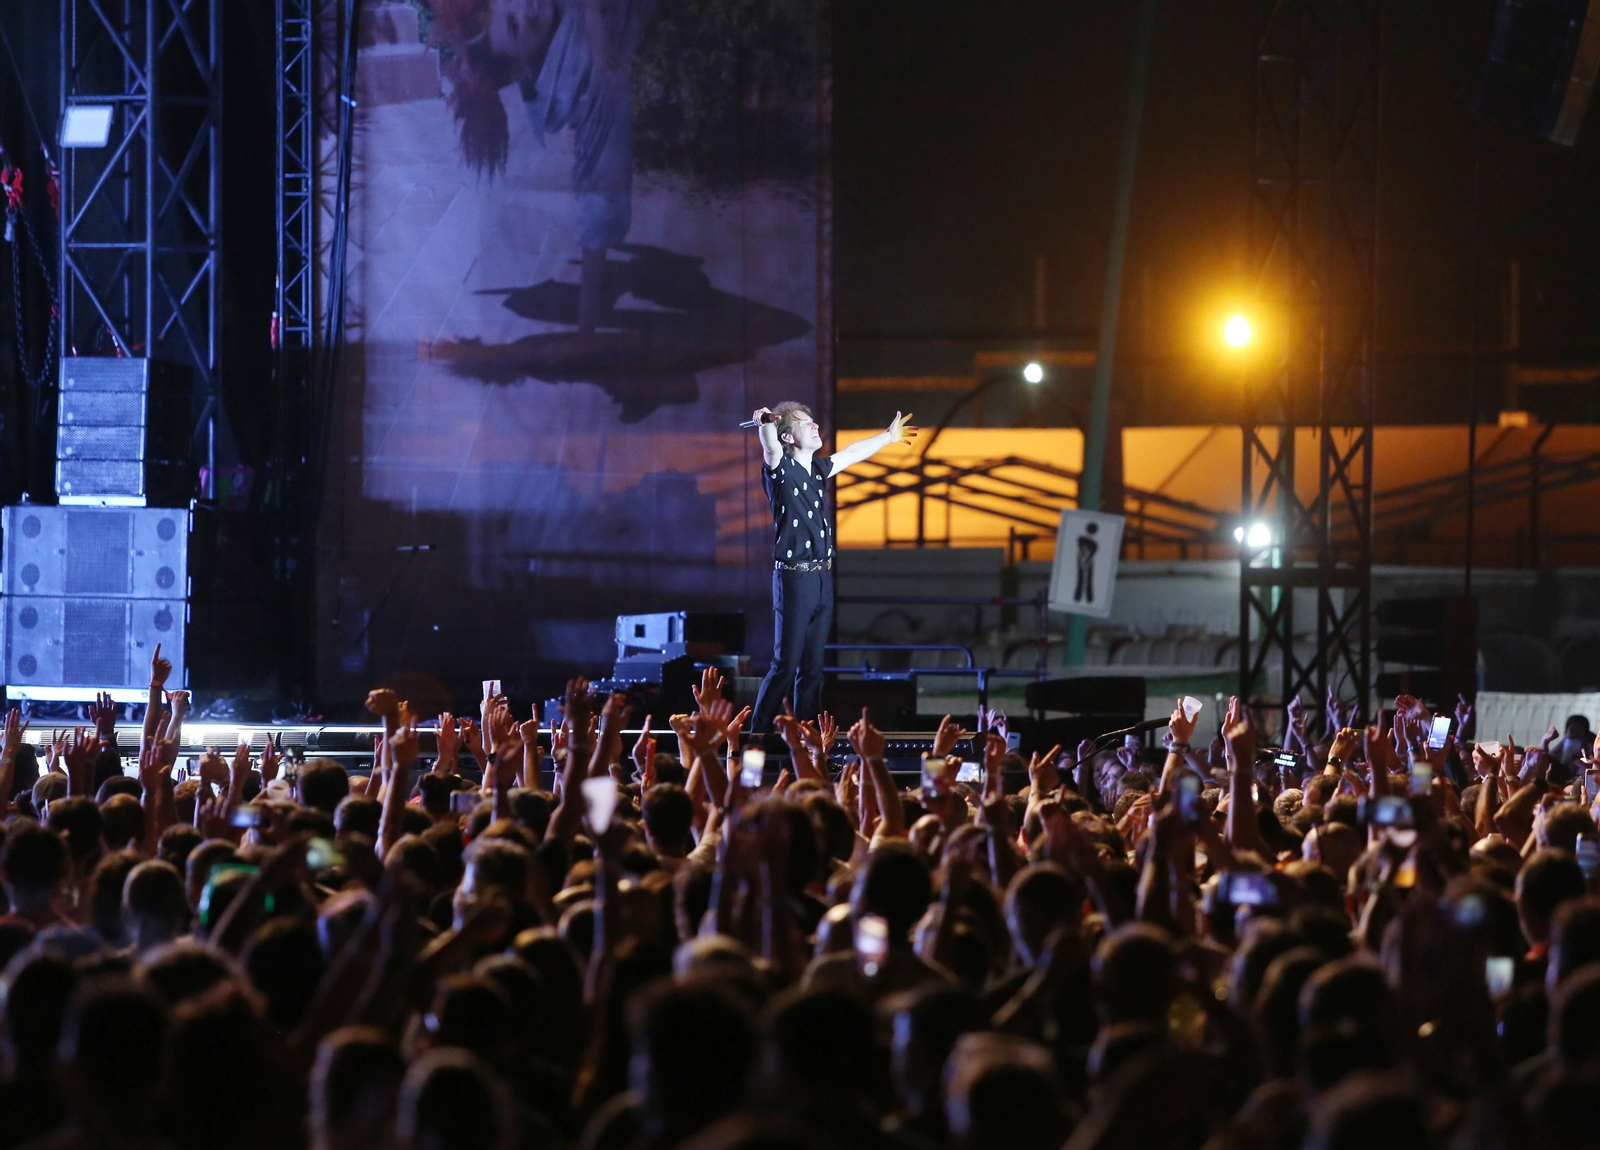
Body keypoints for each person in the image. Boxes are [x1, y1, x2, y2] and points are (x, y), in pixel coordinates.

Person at [748, 403, 917, 731]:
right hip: (794, 578)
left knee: (812, 667)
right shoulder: (780, 469)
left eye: (813, 422)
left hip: (822, 577)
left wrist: (887, 436)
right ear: (788, 436)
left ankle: (810, 739)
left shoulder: (816, 469)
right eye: (805, 424)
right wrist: (764, 422)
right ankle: (756, 737)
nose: (814, 427)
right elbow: (770, 445)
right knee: (786, 664)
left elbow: (852, 454)